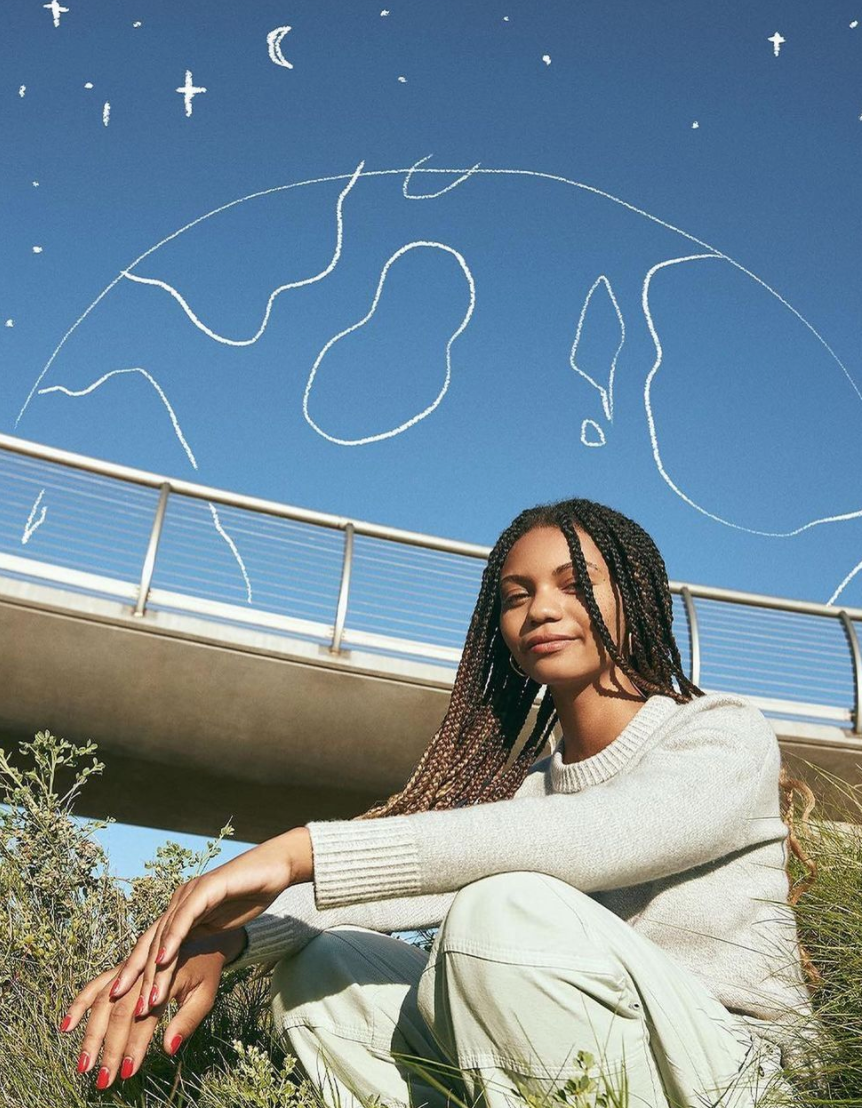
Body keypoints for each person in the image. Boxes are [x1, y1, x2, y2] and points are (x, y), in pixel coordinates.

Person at [61, 498, 817, 1106]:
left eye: (574, 583)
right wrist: (224, 943)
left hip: (735, 1071)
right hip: (603, 1065)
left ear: (637, 597)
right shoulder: (531, 793)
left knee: (501, 908)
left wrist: (297, 852)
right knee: (326, 970)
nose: (541, 609)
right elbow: (390, 896)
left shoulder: (723, 735)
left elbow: (589, 837)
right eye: (517, 596)